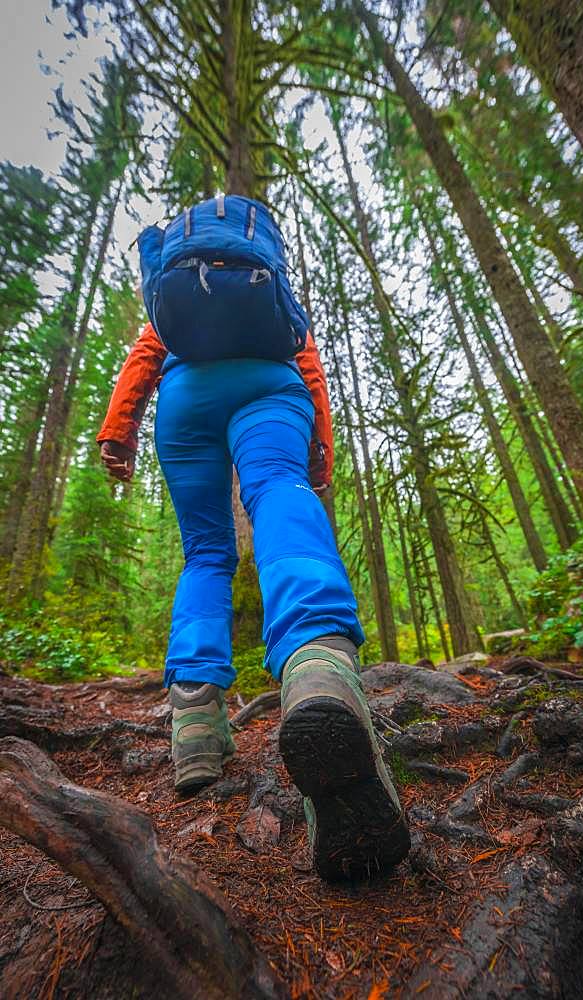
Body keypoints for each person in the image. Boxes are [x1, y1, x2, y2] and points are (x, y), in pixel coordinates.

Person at [98, 314, 409, 881]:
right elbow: (306, 359)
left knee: (207, 554)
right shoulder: (269, 288)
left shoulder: (178, 295)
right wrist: (323, 448)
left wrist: (120, 428)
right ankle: (318, 662)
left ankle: (194, 717)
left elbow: (146, 353)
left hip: (186, 395)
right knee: (278, 493)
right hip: (270, 383)